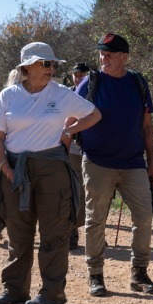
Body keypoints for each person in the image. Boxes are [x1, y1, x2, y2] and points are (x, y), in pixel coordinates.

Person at [0, 42, 100, 304]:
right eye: (45, 63)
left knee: (54, 233)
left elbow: (94, 115)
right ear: (27, 67)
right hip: (14, 169)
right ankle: (14, 290)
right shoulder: (9, 95)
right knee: (18, 233)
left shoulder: (61, 93)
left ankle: (52, 293)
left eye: (53, 64)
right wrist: (5, 167)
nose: (51, 68)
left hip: (52, 170)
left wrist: (68, 132)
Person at [76, 33, 153, 297]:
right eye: (101, 53)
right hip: (97, 161)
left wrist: (152, 162)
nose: (103, 58)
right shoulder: (90, 83)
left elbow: (147, 126)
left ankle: (139, 273)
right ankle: (95, 275)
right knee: (96, 220)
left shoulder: (137, 82)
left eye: (109, 54)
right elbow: (69, 117)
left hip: (134, 162)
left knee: (144, 217)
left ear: (124, 57)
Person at [66, 62, 91, 250]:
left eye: (81, 73)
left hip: (92, 150)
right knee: (74, 191)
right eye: (75, 74)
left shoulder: (93, 93)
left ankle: (93, 231)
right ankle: (72, 232)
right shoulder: (67, 94)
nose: (78, 77)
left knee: (91, 192)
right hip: (72, 150)